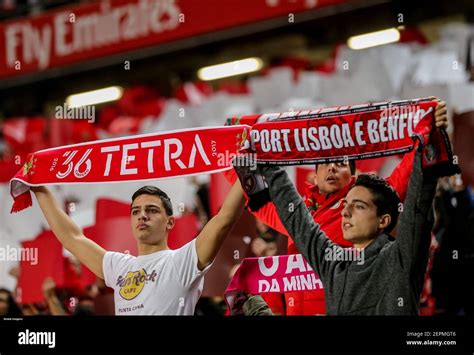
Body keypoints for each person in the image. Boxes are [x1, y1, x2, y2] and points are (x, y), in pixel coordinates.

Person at [242, 99, 448, 315]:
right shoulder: (333, 264)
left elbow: (418, 207)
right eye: (346, 205)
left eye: (358, 206)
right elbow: (295, 219)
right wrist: (261, 153)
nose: (345, 212)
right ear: (315, 175)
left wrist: (427, 141)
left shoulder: (400, 257)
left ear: (384, 219)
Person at [31, 181, 245, 315]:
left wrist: (247, 165)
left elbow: (224, 219)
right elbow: (71, 237)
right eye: (136, 211)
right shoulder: (119, 266)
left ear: (170, 222)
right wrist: (37, 186)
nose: (142, 215)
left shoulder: (182, 261)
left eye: (152, 210)